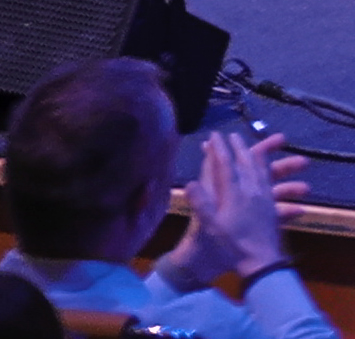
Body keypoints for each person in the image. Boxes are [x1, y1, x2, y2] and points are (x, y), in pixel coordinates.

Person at [6, 56, 332, 339]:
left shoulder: (13, 304)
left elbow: (108, 318)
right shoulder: (205, 325)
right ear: (144, 201)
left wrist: (185, 268)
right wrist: (260, 256)